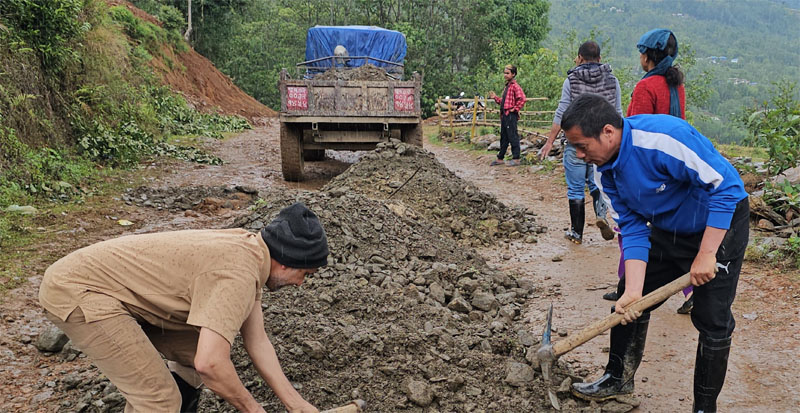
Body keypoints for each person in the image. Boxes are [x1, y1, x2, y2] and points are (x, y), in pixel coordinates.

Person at [39, 202, 329, 413]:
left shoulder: (252, 254)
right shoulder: (239, 272)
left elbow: (258, 342)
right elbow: (211, 364)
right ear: (287, 260)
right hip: (79, 290)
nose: (301, 283)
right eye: (305, 274)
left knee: (190, 360)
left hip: (118, 291)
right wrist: (253, 410)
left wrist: (297, 405)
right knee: (159, 400)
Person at [561, 94, 749, 413]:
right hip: (667, 227)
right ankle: (617, 379)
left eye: (582, 146)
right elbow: (632, 227)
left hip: (720, 224)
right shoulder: (604, 172)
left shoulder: (663, 139)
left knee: (713, 319)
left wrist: (707, 253)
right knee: (628, 300)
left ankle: (704, 407)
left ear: (607, 132)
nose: (579, 155)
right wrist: (635, 291)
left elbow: (727, 189)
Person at [606, 29, 694, 314]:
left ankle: (628, 285)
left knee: (629, 226)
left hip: (647, 163)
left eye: (641, 53)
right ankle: (690, 288)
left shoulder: (646, 87)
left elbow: (635, 128)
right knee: (671, 230)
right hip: (673, 161)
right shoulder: (674, 83)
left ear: (648, 56)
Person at [539, 41, 621, 244]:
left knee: (575, 188)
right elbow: (618, 113)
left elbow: (561, 113)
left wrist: (549, 142)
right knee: (599, 184)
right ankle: (601, 214)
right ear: (600, 59)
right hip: (603, 144)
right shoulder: (612, 81)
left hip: (576, 143)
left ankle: (577, 233)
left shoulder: (571, 81)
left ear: (580, 58)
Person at [488, 64, 526, 167]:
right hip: (505, 115)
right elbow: (504, 102)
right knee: (504, 137)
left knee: (513, 136)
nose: (505, 75)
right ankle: (500, 158)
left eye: (507, 73)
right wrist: (495, 97)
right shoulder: (507, 87)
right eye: (504, 73)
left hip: (510, 115)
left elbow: (522, 99)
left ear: (513, 74)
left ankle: (516, 158)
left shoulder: (515, 86)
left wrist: (515, 109)